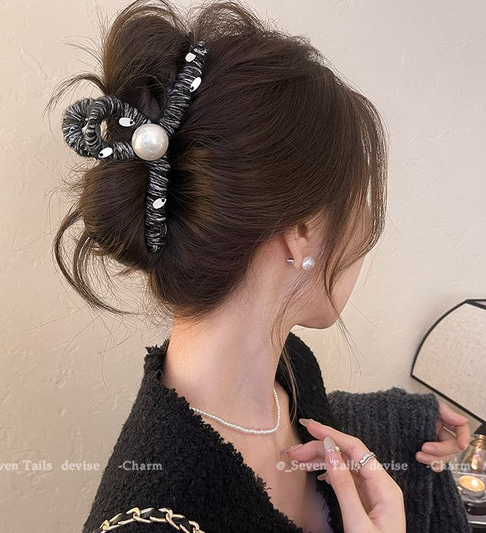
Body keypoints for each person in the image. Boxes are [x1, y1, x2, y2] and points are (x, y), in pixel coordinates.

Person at [47, 0, 472, 531]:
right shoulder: (154, 521)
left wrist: (414, 420)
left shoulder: (286, 368)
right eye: (356, 200)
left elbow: (313, 424)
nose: (367, 229)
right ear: (300, 231)